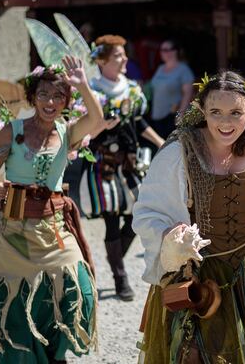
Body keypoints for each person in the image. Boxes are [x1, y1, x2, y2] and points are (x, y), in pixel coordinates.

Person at [134, 71, 245, 363]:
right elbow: (147, 212)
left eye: (235, 113)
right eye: (215, 112)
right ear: (201, 110)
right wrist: (171, 237)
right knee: (191, 355)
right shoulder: (180, 150)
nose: (225, 122)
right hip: (196, 274)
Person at [0, 56, 104, 363]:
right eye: (44, 94)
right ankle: (26, 355)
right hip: (14, 230)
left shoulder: (67, 132)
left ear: (65, 102)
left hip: (54, 227)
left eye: (58, 96)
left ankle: (56, 351)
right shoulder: (11, 131)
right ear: (33, 97)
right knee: (18, 299)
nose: (50, 102)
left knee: (79, 289)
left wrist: (82, 84)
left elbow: (96, 118)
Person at [85, 34, 165, 301]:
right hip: (104, 162)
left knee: (137, 214)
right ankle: (120, 277)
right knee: (111, 217)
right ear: (102, 61)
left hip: (130, 161)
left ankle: (115, 259)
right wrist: (99, 126)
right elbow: (83, 128)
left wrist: (161, 142)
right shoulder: (92, 90)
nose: (125, 59)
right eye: (118, 55)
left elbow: (139, 122)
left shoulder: (131, 88)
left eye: (123, 54)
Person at [149, 39, 195, 138]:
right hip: (156, 116)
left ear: (175, 51)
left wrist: (181, 115)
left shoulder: (184, 70)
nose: (162, 52)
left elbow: (187, 94)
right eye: (161, 50)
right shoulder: (160, 68)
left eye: (166, 50)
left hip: (172, 116)